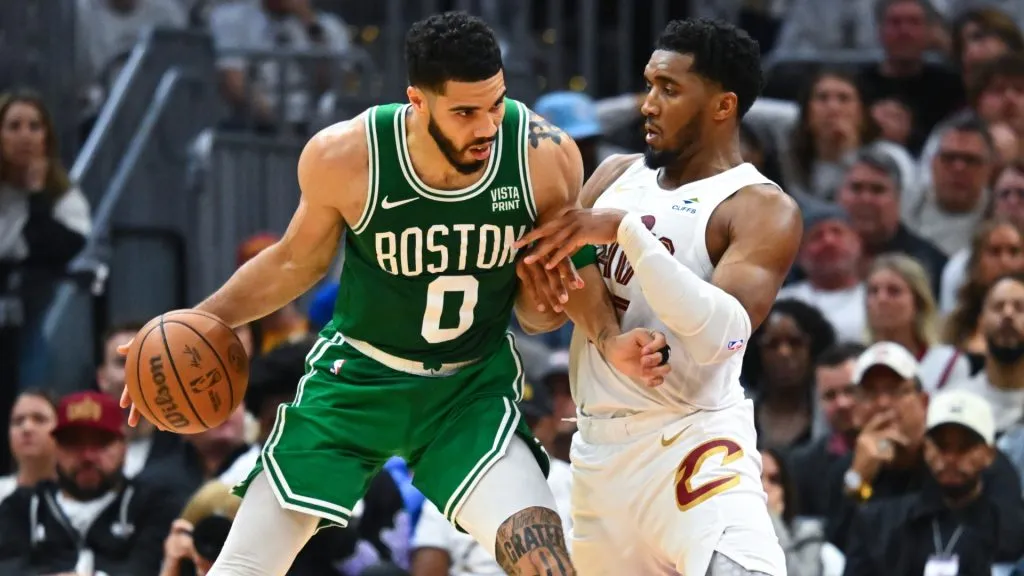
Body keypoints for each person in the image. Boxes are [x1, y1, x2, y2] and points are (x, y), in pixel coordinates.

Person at [119, 11, 669, 576]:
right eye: (464, 112)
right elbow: (293, 261)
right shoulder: (348, 156)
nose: (486, 126)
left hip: (467, 391)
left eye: (496, 103)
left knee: (547, 562)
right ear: (418, 100)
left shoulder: (542, 156)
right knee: (242, 568)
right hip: (359, 380)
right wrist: (195, 325)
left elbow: (562, 277)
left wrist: (606, 336)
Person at [516, 17, 801, 576]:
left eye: (669, 89)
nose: (648, 103)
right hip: (598, 460)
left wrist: (628, 233)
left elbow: (722, 336)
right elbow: (536, 318)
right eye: (649, 84)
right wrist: (549, 298)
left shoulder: (757, 206)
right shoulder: (614, 173)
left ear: (723, 105)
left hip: (692, 449)